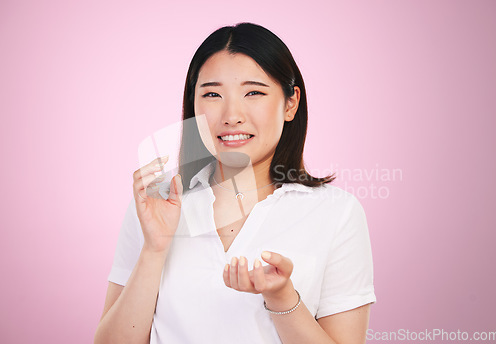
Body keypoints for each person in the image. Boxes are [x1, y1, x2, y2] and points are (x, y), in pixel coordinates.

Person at [94, 22, 376, 344]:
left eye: (253, 92)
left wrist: (282, 298)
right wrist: (155, 249)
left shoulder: (336, 213)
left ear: (290, 103)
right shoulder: (157, 206)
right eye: (212, 94)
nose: (231, 115)